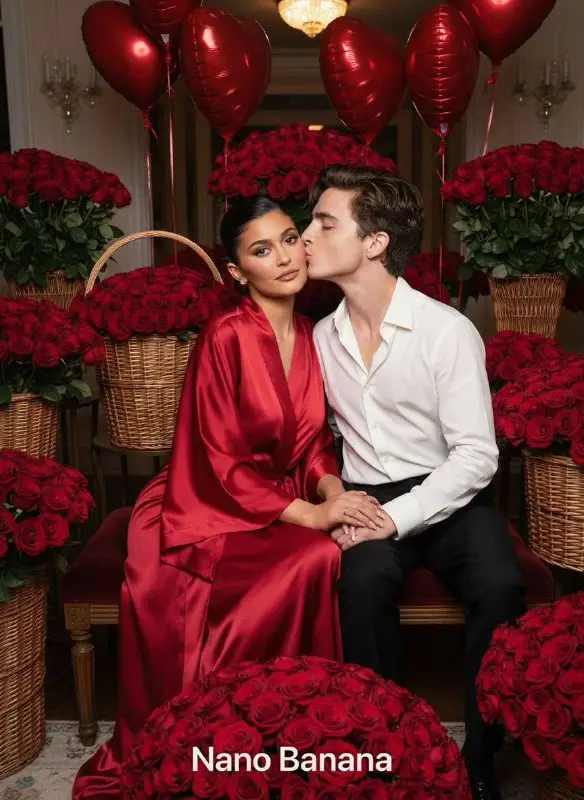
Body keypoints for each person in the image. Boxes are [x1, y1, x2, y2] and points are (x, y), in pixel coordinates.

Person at [72, 196, 384, 798]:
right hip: (203, 502)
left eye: (290, 239)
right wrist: (314, 515)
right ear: (239, 271)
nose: (284, 257)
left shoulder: (312, 332)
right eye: (261, 250)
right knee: (313, 555)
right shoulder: (224, 335)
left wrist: (333, 489)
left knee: (322, 555)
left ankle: (288, 732)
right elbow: (218, 461)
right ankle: (224, 729)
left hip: (280, 497)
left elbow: (316, 438)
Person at [302, 165, 526, 800]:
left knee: (500, 584)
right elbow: (311, 438)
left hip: (451, 492)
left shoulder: (445, 330)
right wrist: (337, 499)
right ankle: (389, 746)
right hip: (367, 492)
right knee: (363, 579)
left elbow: (477, 457)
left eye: (325, 222)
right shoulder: (323, 336)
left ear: (374, 242)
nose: (308, 235)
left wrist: (397, 518)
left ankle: (480, 757)